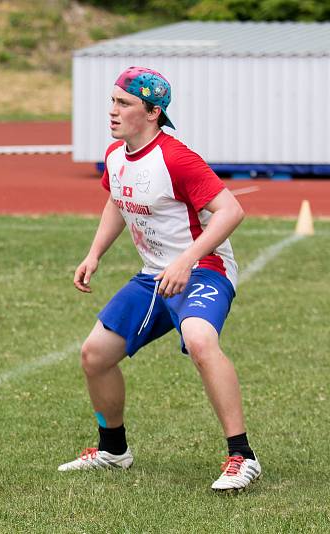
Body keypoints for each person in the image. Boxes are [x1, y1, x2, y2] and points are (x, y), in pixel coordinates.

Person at [57, 66, 261, 491]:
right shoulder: (116, 155)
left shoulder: (176, 158)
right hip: (154, 275)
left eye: (124, 103)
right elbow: (116, 200)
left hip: (204, 269)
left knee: (202, 341)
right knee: (94, 355)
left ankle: (242, 456)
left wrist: (186, 260)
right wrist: (94, 254)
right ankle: (113, 450)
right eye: (112, 101)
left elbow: (231, 211)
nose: (112, 111)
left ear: (152, 113)